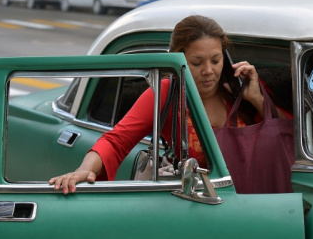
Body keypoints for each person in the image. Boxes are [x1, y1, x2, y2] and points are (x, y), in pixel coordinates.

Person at [49, 15, 290, 194]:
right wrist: (83, 169)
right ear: (177, 61)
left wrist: (257, 99)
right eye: (197, 63)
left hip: (259, 202)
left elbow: (289, 137)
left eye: (216, 60)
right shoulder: (167, 93)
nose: (208, 71)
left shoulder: (242, 86)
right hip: (202, 206)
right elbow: (116, 140)